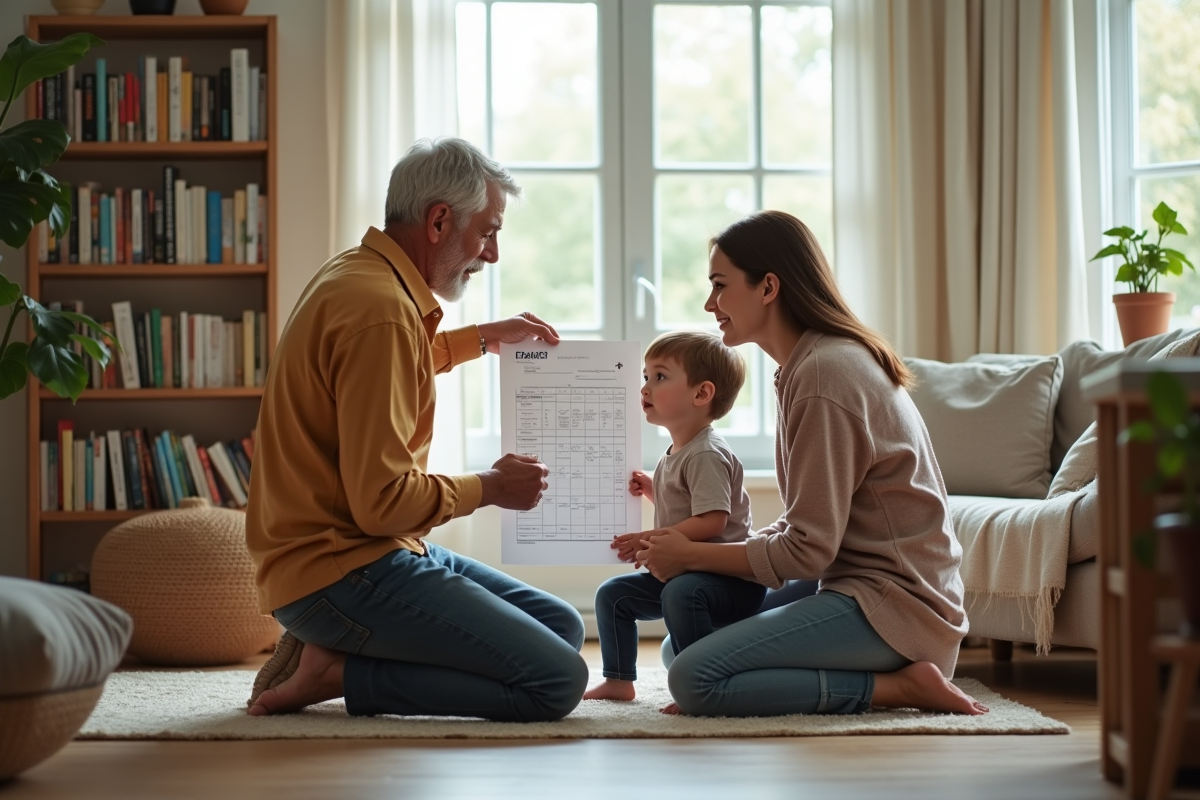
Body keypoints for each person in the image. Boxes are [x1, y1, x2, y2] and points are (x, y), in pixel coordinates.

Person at [244, 137, 588, 723]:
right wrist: (490, 487)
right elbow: (381, 504)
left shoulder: (361, 276)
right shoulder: (382, 314)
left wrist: (482, 338)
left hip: (361, 552)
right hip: (341, 569)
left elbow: (386, 367)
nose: (492, 254)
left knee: (562, 625)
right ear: (438, 221)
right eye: (488, 232)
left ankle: (343, 647)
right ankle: (341, 671)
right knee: (556, 680)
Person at [636, 210, 988, 718]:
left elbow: (808, 551)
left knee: (695, 679)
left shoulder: (825, 374)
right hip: (860, 585)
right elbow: (811, 526)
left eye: (719, 285)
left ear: (768, 287)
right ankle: (870, 673)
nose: (709, 304)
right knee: (683, 646)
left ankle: (902, 686)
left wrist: (691, 555)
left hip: (897, 606)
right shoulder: (808, 365)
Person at [582, 332, 766, 704]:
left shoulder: (706, 454)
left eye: (659, 377)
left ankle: (698, 683)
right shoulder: (677, 451)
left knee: (682, 595)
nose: (645, 387)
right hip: (689, 573)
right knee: (613, 596)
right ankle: (619, 680)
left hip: (729, 581)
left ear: (701, 394)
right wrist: (651, 487)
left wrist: (650, 540)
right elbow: (685, 505)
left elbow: (712, 520)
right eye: (645, 376)